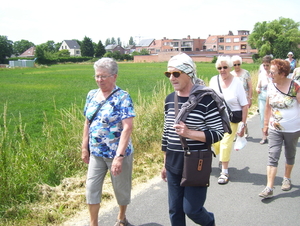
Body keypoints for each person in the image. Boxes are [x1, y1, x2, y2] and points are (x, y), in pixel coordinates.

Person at [161, 52, 224, 226]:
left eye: (176, 73)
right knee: (175, 210)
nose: (171, 78)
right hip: (173, 160)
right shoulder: (169, 100)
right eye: (168, 74)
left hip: (197, 161)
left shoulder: (206, 100)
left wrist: (189, 133)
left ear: (188, 73)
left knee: (192, 210)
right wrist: (165, 163)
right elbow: (166, 133)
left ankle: (209, 222)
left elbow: (218, 132)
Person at [81, 58, 135, 226]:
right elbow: (87, 122)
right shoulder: (91, 95)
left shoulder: (123, 97)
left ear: (114, 76)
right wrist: (84, 147)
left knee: (121, 189)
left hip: (117, 153)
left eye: (104, 76)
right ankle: (93, 223)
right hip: (96, 153)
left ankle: (121, 217)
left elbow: (127, 127)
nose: (100, 80)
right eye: (97, 76)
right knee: (91, 189)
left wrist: (119, 156)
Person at [259, 59, 300, 199]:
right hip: (274, 128)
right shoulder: (271, 86)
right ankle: (269, 187)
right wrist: (265, 125)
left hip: (293, 129)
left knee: (290, 153)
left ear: (282, 73)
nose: (270, 74)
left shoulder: (295, 86)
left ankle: (287, 178)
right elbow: (268, 107)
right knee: (272, 156)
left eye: (273, 72)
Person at [209, 55, 248, 184]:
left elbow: (244, 105)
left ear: (230, 67)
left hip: (232, 119)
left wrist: (243, 124)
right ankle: (222, 158)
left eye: (225, 67)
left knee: (225, 143)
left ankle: (224, 172)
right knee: (216, 143)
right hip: (216, 118)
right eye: (219, 67)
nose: (222, 70)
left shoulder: (237, 83)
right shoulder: (213, 81)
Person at [231, 55, 253, 137]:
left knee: (244, 114)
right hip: (235, 98)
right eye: (235, 64)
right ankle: (235, 133)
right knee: (236, 115)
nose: (237, 66)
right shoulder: (231, 74)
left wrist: (250, 98)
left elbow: (250, 87)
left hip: (245, 97)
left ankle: (244, 128)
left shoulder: (245, 73)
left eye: (238, 64)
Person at [256, 55, 273, 144]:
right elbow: (258, 85)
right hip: (262, 96)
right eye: (264, 65)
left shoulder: (274, 74)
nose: (266, 67)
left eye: (267, 65)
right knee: (263, 116)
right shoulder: (262, 74)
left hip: (272, 97)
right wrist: (257, 88)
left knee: (272, 116)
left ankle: (273, 135)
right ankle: (264, 136)